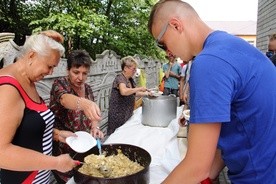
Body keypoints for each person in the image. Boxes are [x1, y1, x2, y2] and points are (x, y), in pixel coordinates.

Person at [148, 0, 276, 183]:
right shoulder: (232, 45)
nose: (167, 52)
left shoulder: (210, 62)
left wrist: (198, 171)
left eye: (162, 43)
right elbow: (238, 127)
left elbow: (197, 167)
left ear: (175, 25)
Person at [0, 30, 79, 184]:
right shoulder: (8, 89)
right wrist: (55, 163)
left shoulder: (28, 80)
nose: (50, 72)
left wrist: (56, 134)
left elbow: (26, 129)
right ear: (31, 56)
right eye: (49, 66)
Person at [49, 49, 104, 183]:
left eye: (84, 73)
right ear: (68, 70)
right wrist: (83, 103)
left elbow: (93, 117)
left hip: (84, 147)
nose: (80, 78)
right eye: (76, 72)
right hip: (63, 149)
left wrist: (95, 127)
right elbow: (64, 99)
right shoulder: (60, 84)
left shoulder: (88, 89)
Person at [107, 56, 151, 136]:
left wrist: (147, 94)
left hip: (127, 113)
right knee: (117, 137)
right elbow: (124, 91)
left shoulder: (130, 79)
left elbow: (133, 93)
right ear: (125, 68)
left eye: (135, 69)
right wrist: (139, 88)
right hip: (118, 115)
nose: (135, 71)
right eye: (133, 69)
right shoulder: (120, 78)